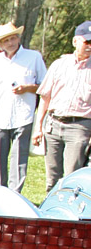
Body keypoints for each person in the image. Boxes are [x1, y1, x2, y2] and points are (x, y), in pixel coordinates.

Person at [0, 22, 46, 193]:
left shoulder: (33, 57)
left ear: (19, 38)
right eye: (6, 40)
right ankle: (1, 192)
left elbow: (44, 87)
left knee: (19, 159)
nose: (11, 42)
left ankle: (15, 194)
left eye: (13, 38)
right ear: (0, 44)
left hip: (23, 115)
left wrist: (27, 88)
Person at [33, 21, 91, 192]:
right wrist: (38, 127)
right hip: (53, 124)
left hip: (80, 127)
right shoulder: (60, 64)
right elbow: (45, 98)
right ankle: (50, 211)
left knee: (72, 175)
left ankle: (70, 214)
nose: (89, 47)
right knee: (52, 175)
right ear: (75, 42)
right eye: (86, 42)